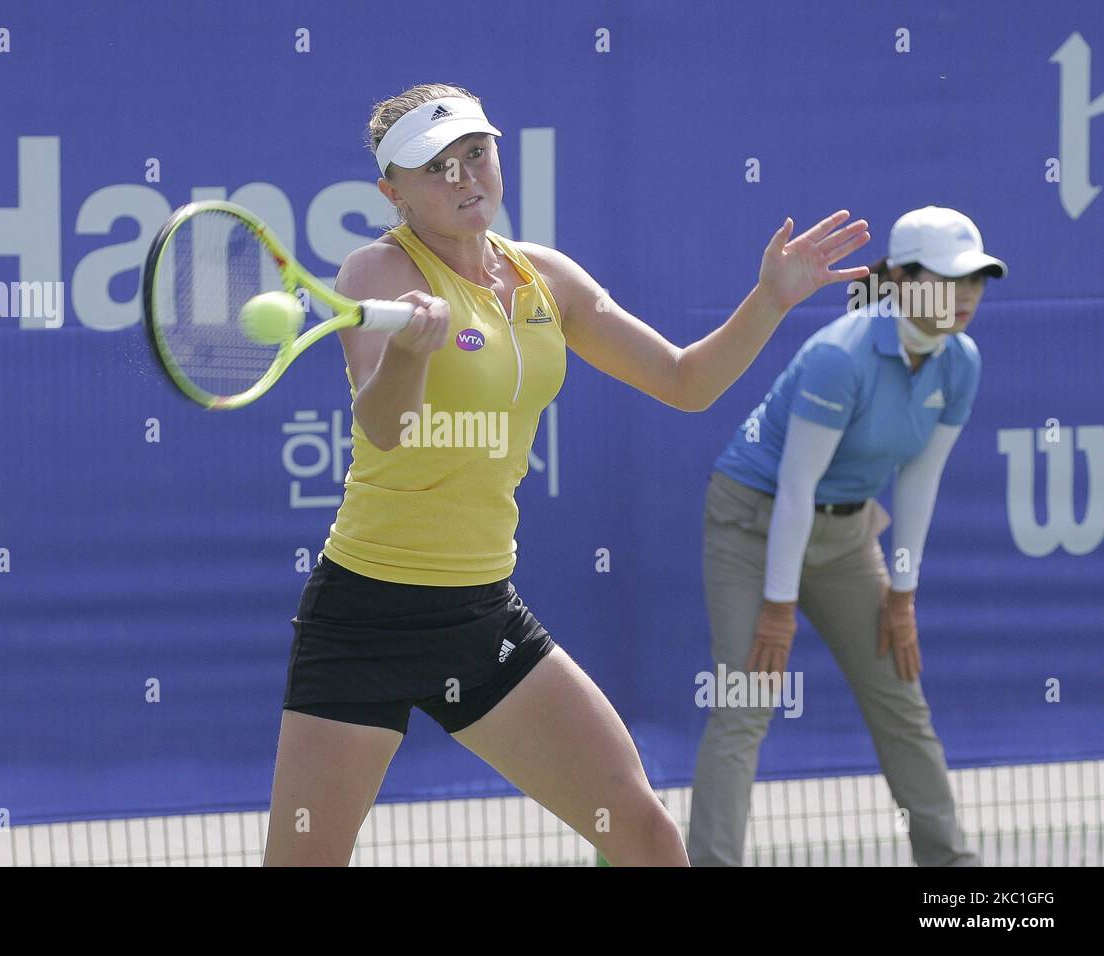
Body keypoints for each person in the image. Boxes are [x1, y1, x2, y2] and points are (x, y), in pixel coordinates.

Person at [264, 82, 870, 866]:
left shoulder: (545, 278)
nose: (464, 179)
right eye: (435, 167)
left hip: (481, 617)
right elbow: (386, 427)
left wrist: (770, 298)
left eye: (476, 154)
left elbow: (686, 383)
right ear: (392, 191)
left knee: (644, 832)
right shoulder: (376, 273)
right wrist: (413, 351)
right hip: (365, 615)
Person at [687, 206, 1006, 866]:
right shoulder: (841, 356)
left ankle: (955, 874)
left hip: (849, 537)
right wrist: (777, 608)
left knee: (902, 699)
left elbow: (918, 482)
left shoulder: (962, 362)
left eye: (975, 279)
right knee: (743, 708)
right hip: (752, 524)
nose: (966, 295)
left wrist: (904, 591)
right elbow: (797, 488)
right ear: (900, 280)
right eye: (949, 279)